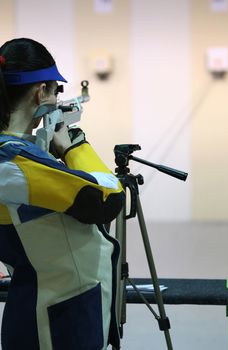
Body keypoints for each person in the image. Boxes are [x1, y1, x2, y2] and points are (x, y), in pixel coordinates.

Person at [0, 38, 125, 350]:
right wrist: (74, 146)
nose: (57, 98)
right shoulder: (14, 161)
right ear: (40, 92)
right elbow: (108, 198)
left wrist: (41, 146)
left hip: (31, 302)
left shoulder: (17, 155)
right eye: (55, 90)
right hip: (59, 318)